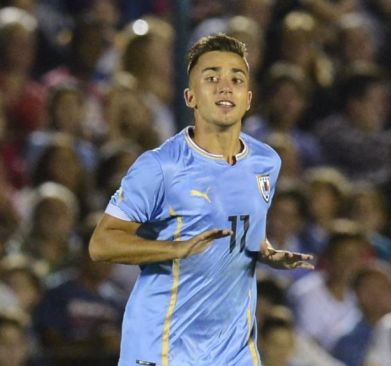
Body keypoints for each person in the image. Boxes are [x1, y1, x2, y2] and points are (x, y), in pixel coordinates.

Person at [89, 33, 314, 366]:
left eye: (236, 79)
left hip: (234, 346)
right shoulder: (160, 166)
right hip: (165, 343)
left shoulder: (267, 161)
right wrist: (175, 249)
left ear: (248, 98)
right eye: (212, 78)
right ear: (190, 96)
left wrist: (267, 253)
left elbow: (240, 229)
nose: (225, 87)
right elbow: (102, 244)